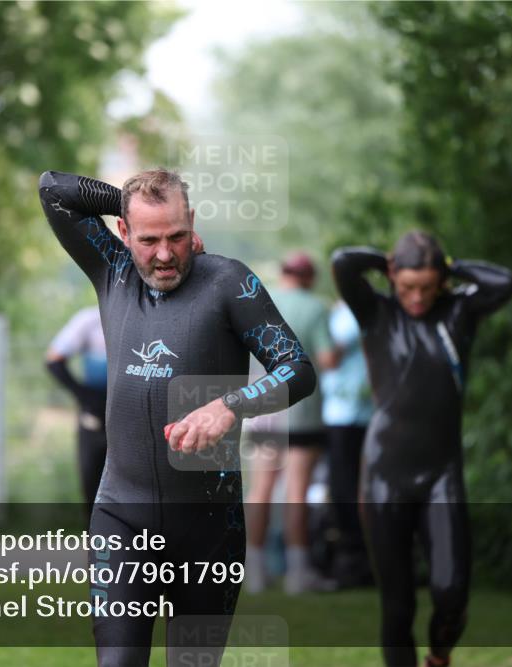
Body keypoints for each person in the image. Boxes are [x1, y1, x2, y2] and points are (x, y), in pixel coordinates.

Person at [38, 169, 316, 667]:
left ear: (193, 224)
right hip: (122, 519)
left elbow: (298, 369)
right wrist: (124, 197)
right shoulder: (113, 271)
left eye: (177, 236)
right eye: (149, 239)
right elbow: (53, 190)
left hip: (211, 528)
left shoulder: (228, 282)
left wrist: (230, 406)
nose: (164, 254)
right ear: (124, 231)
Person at [331, 231, 512, 667]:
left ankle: (438, 655)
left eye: (426, 287)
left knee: (451, 592)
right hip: (383, 475)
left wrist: (450, 266)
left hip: (440, 475)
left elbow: (504, 282)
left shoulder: (460, 312)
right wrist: (388, 262)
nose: (416, 297)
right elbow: (343, 262)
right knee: (398, 607)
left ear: (441, 283)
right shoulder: (376, 312)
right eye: (407, 286)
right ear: (394, 279)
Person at [242, 251, 337, 594]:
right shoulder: (315, 309)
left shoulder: (257, 301)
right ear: (310, 278)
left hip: (263, 414)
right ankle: (298, 574)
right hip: (303, 416)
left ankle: (255, 573)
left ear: (283, 273)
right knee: (296, 494)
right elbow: (327, 360)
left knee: (260, 493)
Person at [322, 298, 375, 590]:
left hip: (348, 414)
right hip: (350, 412)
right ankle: (357, 561)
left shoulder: (349, 314)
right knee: (349, 488)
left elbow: (330, 357)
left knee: (346, 489)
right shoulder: (352, 311)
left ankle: (354, 563)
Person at [46, 305, 108, 518]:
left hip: (133, 416)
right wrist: (86, 397)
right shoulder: (90, 320)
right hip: (95, 418)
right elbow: (53, 360)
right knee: (92, 485)